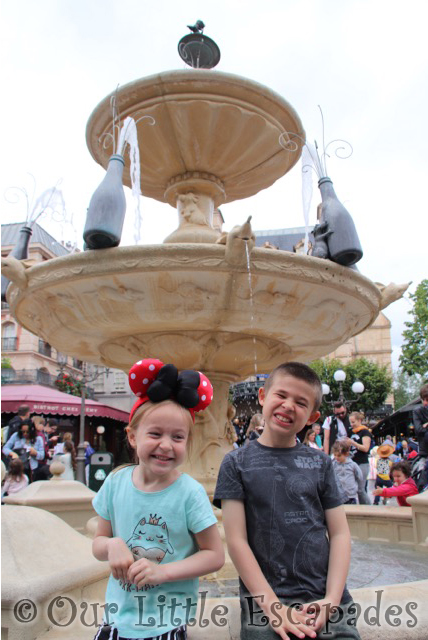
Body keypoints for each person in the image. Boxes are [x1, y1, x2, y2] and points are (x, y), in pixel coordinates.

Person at [214, 361, 360, 640]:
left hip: (325, 596)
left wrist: (331, 598)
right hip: (266, 601)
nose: (288, 405)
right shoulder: (235, 463)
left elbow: (340, 533)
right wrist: (273, 607)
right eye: (281, 395)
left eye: (301, 402)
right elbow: (236, 541)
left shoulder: (321, 463)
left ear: (312, 417)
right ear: (262, 397)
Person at [92, 358, 224, 640]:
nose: (166, 445)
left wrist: (162, 573)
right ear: (132, 437)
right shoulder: (115, 483)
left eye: (178, 437)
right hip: (115, 619)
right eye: (155, 434)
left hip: (166, 622)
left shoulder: (190, 493)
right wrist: (111, 545)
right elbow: (98, 543)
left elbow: (215, 555)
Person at [344, 411, 371, 505]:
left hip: (362, 463)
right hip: (351, 462)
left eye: (353, 422)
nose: (352, 424)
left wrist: (353, 443)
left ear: (359, 420)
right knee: (351, 487)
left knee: (360, 489)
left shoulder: (365, 431)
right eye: (350, 422)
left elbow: (366, 448)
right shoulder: (350, 431)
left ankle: (368, 508)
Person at [412, 383, 428, 491]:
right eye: (424, 400)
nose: (426, 403)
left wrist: (425, 425)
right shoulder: (418, 411)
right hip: (425, 452)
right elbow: (418, 430)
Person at [373, 441, 395, 506]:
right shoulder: (390, 462)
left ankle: (376, 501)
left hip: (379, 477)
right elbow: (391, 470)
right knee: (390, 488)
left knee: (378, 489)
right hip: (387, 478)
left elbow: (376, 467)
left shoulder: (378, 461)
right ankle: (387, 497)